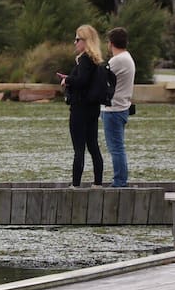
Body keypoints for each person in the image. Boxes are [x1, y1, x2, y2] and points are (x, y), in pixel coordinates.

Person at [57, 25, 104, 187]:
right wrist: (70, 77)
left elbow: (82, 81)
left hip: (80, 109)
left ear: (85, 41)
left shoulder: (84, 60)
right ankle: (98, 183)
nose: (75, 42)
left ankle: (75, 185)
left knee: (79, 149)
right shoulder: (95, 60)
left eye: (77, 39)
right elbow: (86, 80)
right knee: (93, 146)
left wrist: (67, 80)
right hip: (92, 109)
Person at [102, 27, 136, 187]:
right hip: (123, 107)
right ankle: (120, 180)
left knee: (116, 148)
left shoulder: (117, 60)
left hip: (114, 109)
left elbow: (100, 78)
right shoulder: (127, 57)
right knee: (118, 146)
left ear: (111, 43)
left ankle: (119, 182)